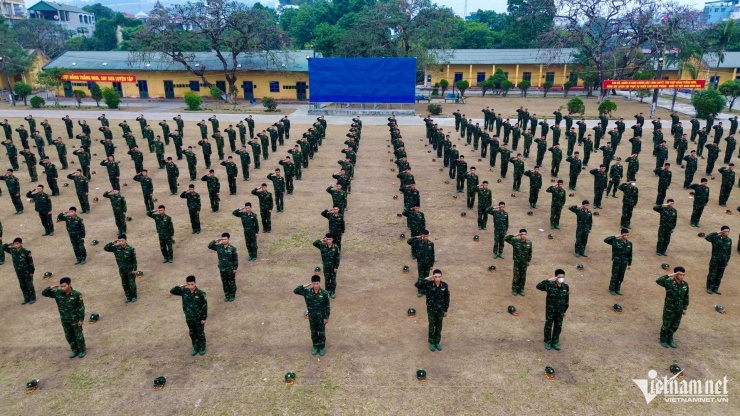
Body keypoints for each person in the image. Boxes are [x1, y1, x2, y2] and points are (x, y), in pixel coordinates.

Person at [41, 277, 86, 358]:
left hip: (75, 319)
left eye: (64, 286)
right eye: (61, 286)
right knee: (69, 336)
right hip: (64, 319)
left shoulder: (77, 294)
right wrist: (50, 288)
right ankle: (74, 350)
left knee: (78, 335)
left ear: (69, 285)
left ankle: (82, 350)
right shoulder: (57, 293)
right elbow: (44, 293)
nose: (62, 288)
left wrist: (81, 319)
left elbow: (81, 308)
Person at [170, 275, 208, 356]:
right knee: (192, 333)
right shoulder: (184, 291)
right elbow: (172, 291)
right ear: (186, 284)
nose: (190, 286)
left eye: (192, 284)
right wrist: (179, 287)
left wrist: (204, 318)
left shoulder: (201, 293)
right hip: (189, 317)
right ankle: (195, 347)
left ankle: (202, 347)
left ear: (195, 283)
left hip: (198, 318)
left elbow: (204, 306)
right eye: (189, 284)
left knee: (200, 333)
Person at [294, 274, 331, 356]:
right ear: (312, 283)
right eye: (314, 283)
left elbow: (327, 306)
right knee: (313, 333)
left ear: (320, 283)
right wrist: (304, 285)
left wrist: (326, 317)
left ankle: (321, 347)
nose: (315, 285)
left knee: (321, 333)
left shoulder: (324, 293)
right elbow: (295, 291)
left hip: (321, 317)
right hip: (312, 317)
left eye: (317, 283)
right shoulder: (307, 292)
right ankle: (315, 346)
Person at [415, 269, 450, 352]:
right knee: (431, 325)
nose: (437, 278)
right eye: (436, 277)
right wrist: (428, 278)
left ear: (441, 277)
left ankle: (437, 342)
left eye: (439, 277)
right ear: (433, 277)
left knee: (439, 326)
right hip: (431, 309)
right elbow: (418, 285)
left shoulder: (444, 285)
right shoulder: (429, 284)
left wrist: (445, 310)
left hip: (440, 310)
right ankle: (431, 343)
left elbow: (447, 298)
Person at [536, 269, 569, 351]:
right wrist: (548, 280)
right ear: (556, 277)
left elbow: (566, 300)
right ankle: (548, 342)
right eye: (559, 277)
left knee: (558, 326)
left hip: (560, 311)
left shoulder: (566, 287)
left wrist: (564, 311)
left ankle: (554, 342)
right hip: (550, 310)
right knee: (548, 326)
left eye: (563, 277)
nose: (561, 278)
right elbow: (538, 286)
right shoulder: (550, 285)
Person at [657, 267, 689, 349]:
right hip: (669, 309)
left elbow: (686, 297)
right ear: (676, 274)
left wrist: (685, 308)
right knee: (666, 325)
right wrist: (671, 275)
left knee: (675, 326)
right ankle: (663, 339)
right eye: (680, 274)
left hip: (679, 309)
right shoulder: (669, 282)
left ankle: (670, 339)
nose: (682, 276)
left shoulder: (685, 284)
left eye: (683, 275)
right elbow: (658, 280)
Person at [104, 234, 138, 303]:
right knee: (124, 284)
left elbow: (134, 260)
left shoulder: (131, 249)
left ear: (126, 240)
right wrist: (112, 243)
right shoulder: (116, 248)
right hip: (122, 270)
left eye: (122, 240)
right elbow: (106, 248)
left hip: (130, 270)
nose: (121, 242)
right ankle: (128, 296)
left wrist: (134, 269)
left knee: (131, 283)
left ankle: (134, 296)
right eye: (119, 241)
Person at [2, 237, 36, 304]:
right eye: (15, 244)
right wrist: (10, 244)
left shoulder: (26, 251)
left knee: (29, 284)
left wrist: (31, 272)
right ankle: (26, 298)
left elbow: (30, 262)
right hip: (18, 271)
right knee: (22, 285)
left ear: (21, 244)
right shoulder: (12, 250)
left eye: (17, 243)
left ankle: (32, 297)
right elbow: (3, 247)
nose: (16, 245)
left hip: (26, 271)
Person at [208, 233, 239, 302]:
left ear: (228, 239)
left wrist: (235, 268)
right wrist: (215, 241)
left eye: (225, 239)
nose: (224, 241)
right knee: (224, 282)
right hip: (222, 268)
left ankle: (232, 295)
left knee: (231, 282)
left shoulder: (233, 248)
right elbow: (209, 246)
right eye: (223, 239)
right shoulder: (219, 247)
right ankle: (227, 295)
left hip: (230, 269)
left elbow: (235, 259)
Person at [604, 229, 633, 296]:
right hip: (617, 262)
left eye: (627, 235)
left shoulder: (629, 243)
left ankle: (617, 289)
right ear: (621, 234)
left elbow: (630, 254)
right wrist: (615, 236)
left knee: (621, 276)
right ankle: (612, 289)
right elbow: (606, 240)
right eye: (624, 235)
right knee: (615, 275)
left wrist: (629, 264)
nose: (626, 236)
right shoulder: (615, 241)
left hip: (624, 263)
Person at [705, 226, 732, 295]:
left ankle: (716, 288)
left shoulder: (729, 240)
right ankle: (709, 288)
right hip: (715, 259)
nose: (727, 233)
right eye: (725, 231)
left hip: (723, 261)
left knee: (719, 275)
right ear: (722, 231)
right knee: (712, 274)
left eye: (728, 231)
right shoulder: (715, 238)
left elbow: (729, 252)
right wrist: (716, 233)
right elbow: (707, 237)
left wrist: (727, 260)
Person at [408, 230, 435, 297]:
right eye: (424, 236)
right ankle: (420, 290)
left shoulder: (430, 244)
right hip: (420, 263)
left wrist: (431, 264)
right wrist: (417, 237)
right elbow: (409, 241)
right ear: (422, 235)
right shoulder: (418, 242)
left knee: (427, 277)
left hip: (428, 263)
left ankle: (425, 290)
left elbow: (432, 254)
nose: (425, 237)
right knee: (421, 277)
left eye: (426, 236)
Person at [505, 230, 532, 296]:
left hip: (524, 263)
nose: (523, 236)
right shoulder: (515, 241)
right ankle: (514, 289)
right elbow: (505, 238)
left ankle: (521, 289)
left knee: (523, 277)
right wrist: (514, 235)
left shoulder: (529, 242)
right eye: (522, 234)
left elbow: (530, 252)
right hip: (517, 263)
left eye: (525, 234)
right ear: (520, 235)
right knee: (516, 276)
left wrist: (528, 261)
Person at [313, 234, 341, 299]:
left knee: (333, 280)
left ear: (332, 239)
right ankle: (327, 291)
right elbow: (314, 243)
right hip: (326, 267)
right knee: (327, 279)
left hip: (333, 267)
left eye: (330, 239)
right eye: (327, 239)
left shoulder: (336, 247)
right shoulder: (322, 246)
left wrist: (336, 267)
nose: (328, 241)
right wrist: (322, 239)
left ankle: (333, 291)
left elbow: (337, 258)